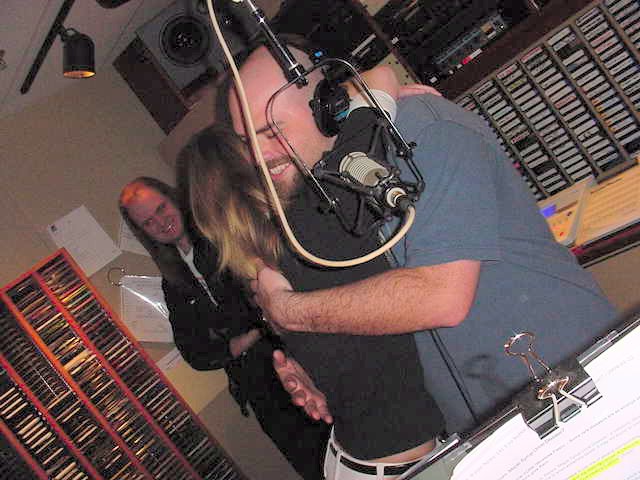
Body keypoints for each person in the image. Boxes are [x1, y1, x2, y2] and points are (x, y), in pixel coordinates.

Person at [218, 44, 620, 442]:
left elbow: (440, 297)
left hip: (573, 377)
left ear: (327, 105)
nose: (260, 156)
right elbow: (366, 310)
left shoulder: (421, 130)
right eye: (246, 141)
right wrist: (324, 374)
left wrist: (287, 310)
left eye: (271, 131)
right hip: (482, 426)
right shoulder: (320, 195)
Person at [183, 76, 447, 478]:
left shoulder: (259, 271)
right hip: (401, 462)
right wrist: (379, 103)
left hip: (353, 456)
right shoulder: (320, 214)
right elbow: (380, 77)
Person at [118, 177, 329, 480]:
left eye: (161, 208)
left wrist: (244, 337)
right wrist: (251, 335)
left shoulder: (220, 236)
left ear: (174, 198)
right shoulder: (173, 282)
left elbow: (272, 293)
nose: (160, 222)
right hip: (260, 392)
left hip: (298, 362)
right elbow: (196, 354)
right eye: (148, 222)